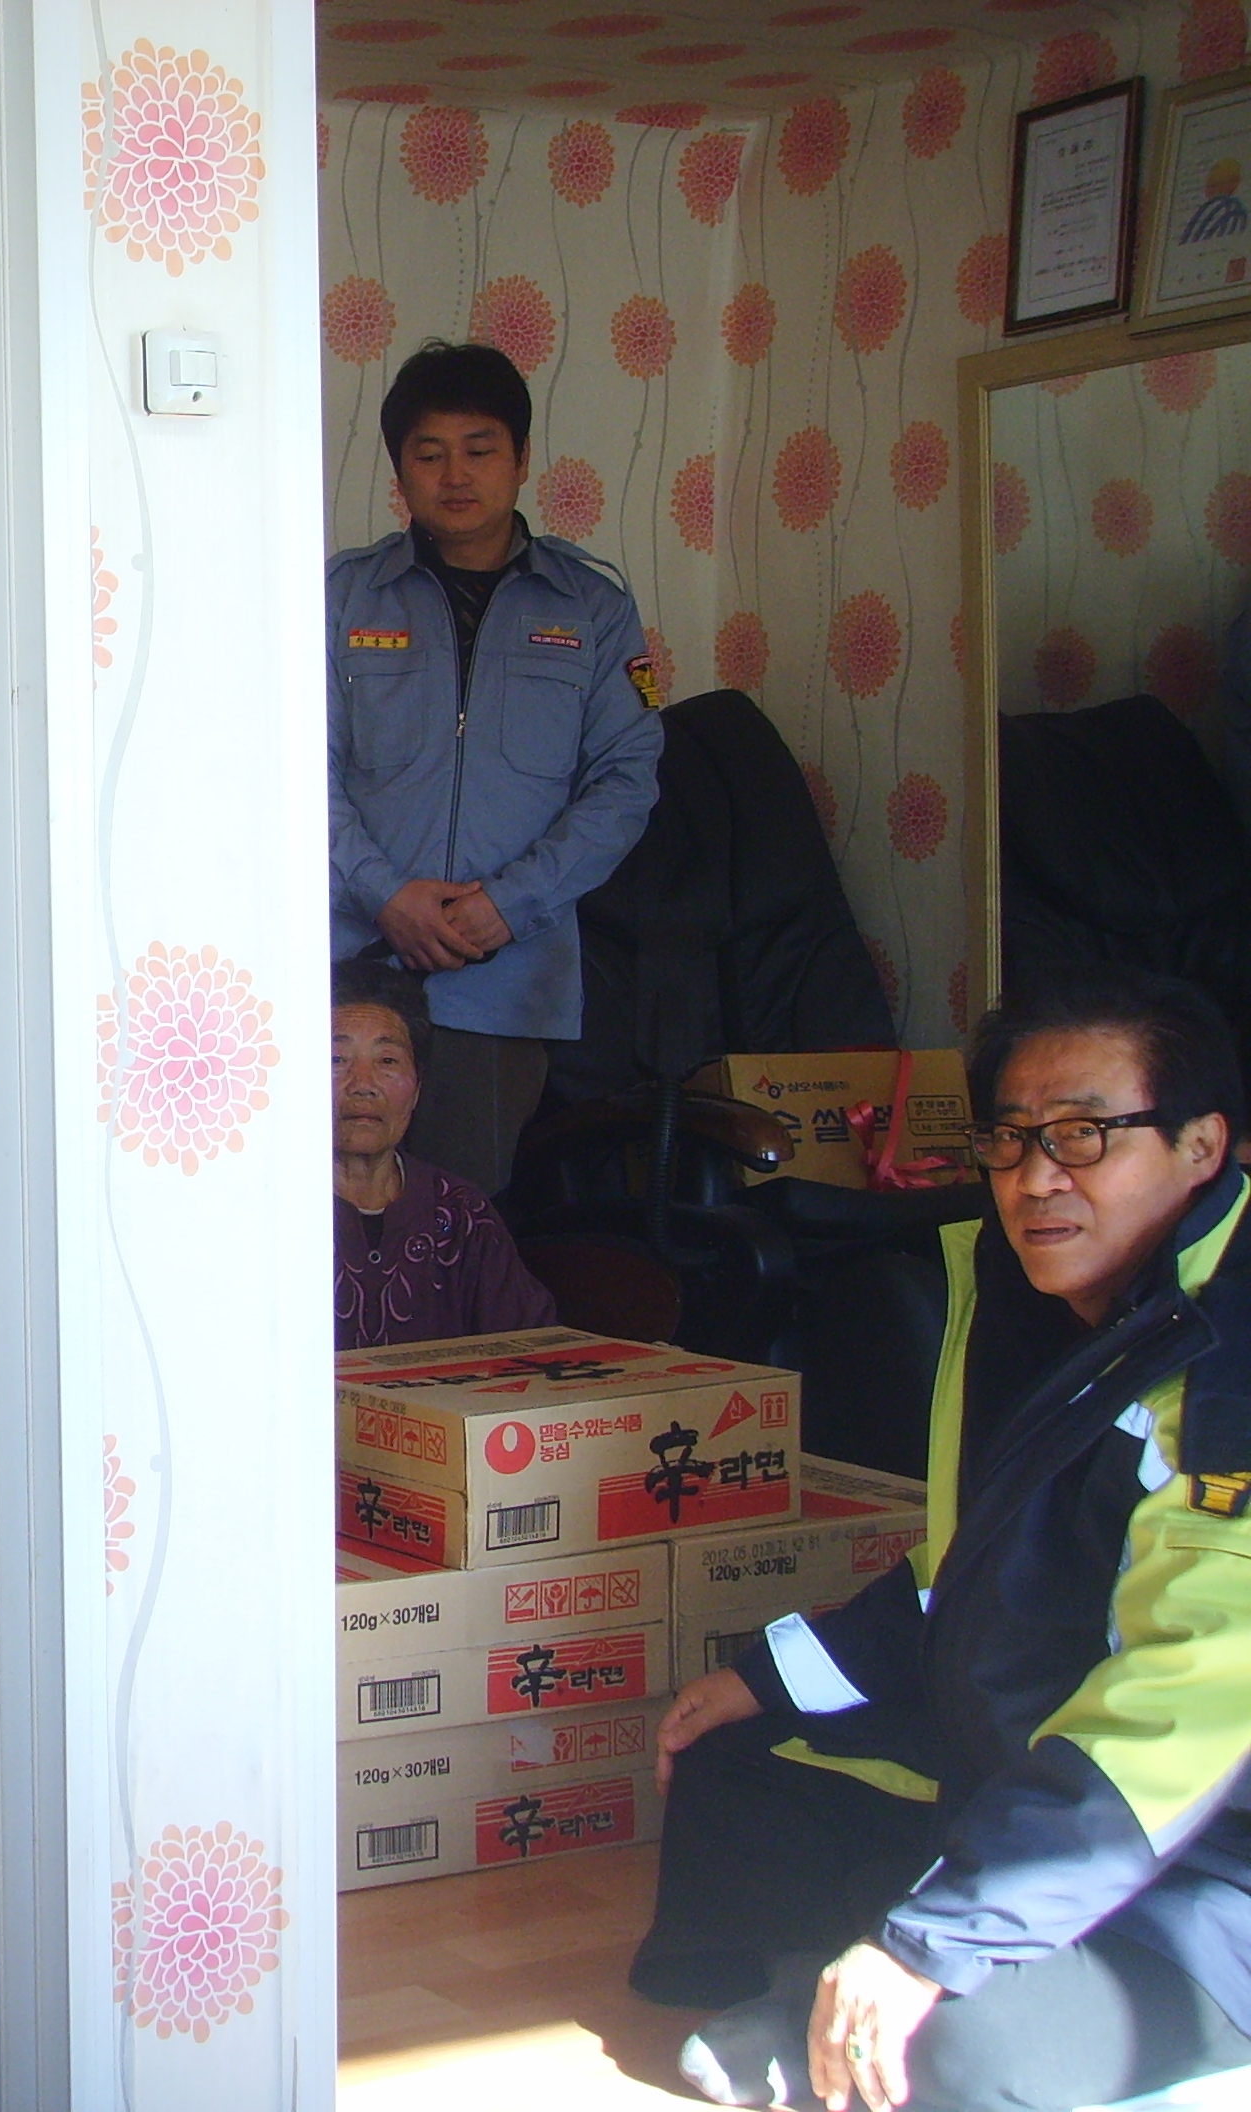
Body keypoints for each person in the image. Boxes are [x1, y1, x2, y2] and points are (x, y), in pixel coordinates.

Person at [635, 966, 1251, 2112]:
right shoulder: (1051, 1298)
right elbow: (978, 1565)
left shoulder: (1228, 1370)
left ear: (1200, 1145)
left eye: (1081, 1136)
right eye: (1008, 1139)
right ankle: (845, 1993)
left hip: (1201, 1840)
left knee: (967, 2057)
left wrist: (934, 1943)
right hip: (1035, 1753)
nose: (1033, 1178)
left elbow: (1185, 1708)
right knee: (739, 1755)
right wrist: (772, 1677)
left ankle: (898, 1999)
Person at [329, 339, 664, 1197]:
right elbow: (293, 767)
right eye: (429, 454)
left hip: (503, 983)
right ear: (398, 469)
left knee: (459, 1223)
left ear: (521, 459)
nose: (455, 476)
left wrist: (509, 905)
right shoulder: (341, 597)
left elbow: (626, 781)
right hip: (349, 968)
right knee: (318, 1226)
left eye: (479, 450)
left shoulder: (593, 607)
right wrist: (383, 893)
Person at [331, 957, 555, 1349]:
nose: (363, 1084)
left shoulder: (461, 1213)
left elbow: (535, 1348)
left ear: (417, 1087)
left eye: (387, 1061)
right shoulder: (257, 1212)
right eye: (336, 1060)